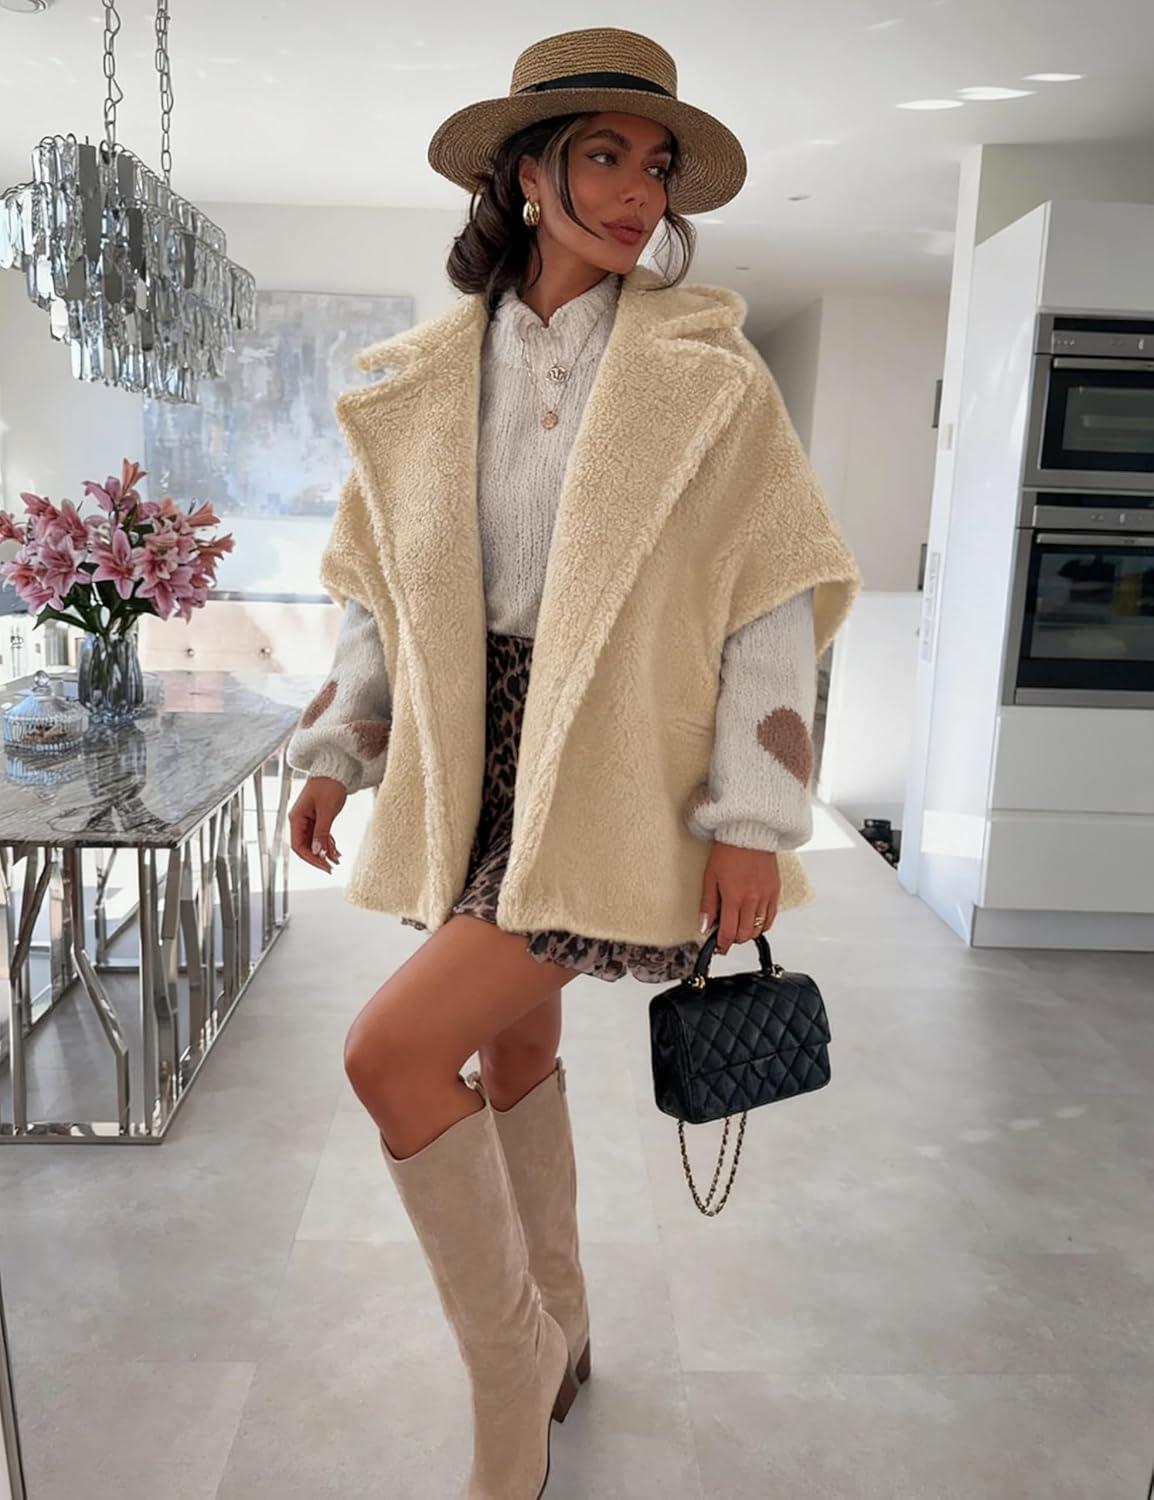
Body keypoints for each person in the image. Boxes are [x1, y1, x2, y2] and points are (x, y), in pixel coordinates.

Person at [285, 26, 861, 1499]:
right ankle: (566, 1321)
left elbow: (770, 599)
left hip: (612, 766)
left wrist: (753, 815)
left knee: (388, 1053)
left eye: (654, 164)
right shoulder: (422, 379)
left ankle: (510, 1375)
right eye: (602, 155)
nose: (635, 192)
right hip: (469, 755)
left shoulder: (709, 376)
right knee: (512, 1049)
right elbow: (378, 596)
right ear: (526, 176)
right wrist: (342, 750)